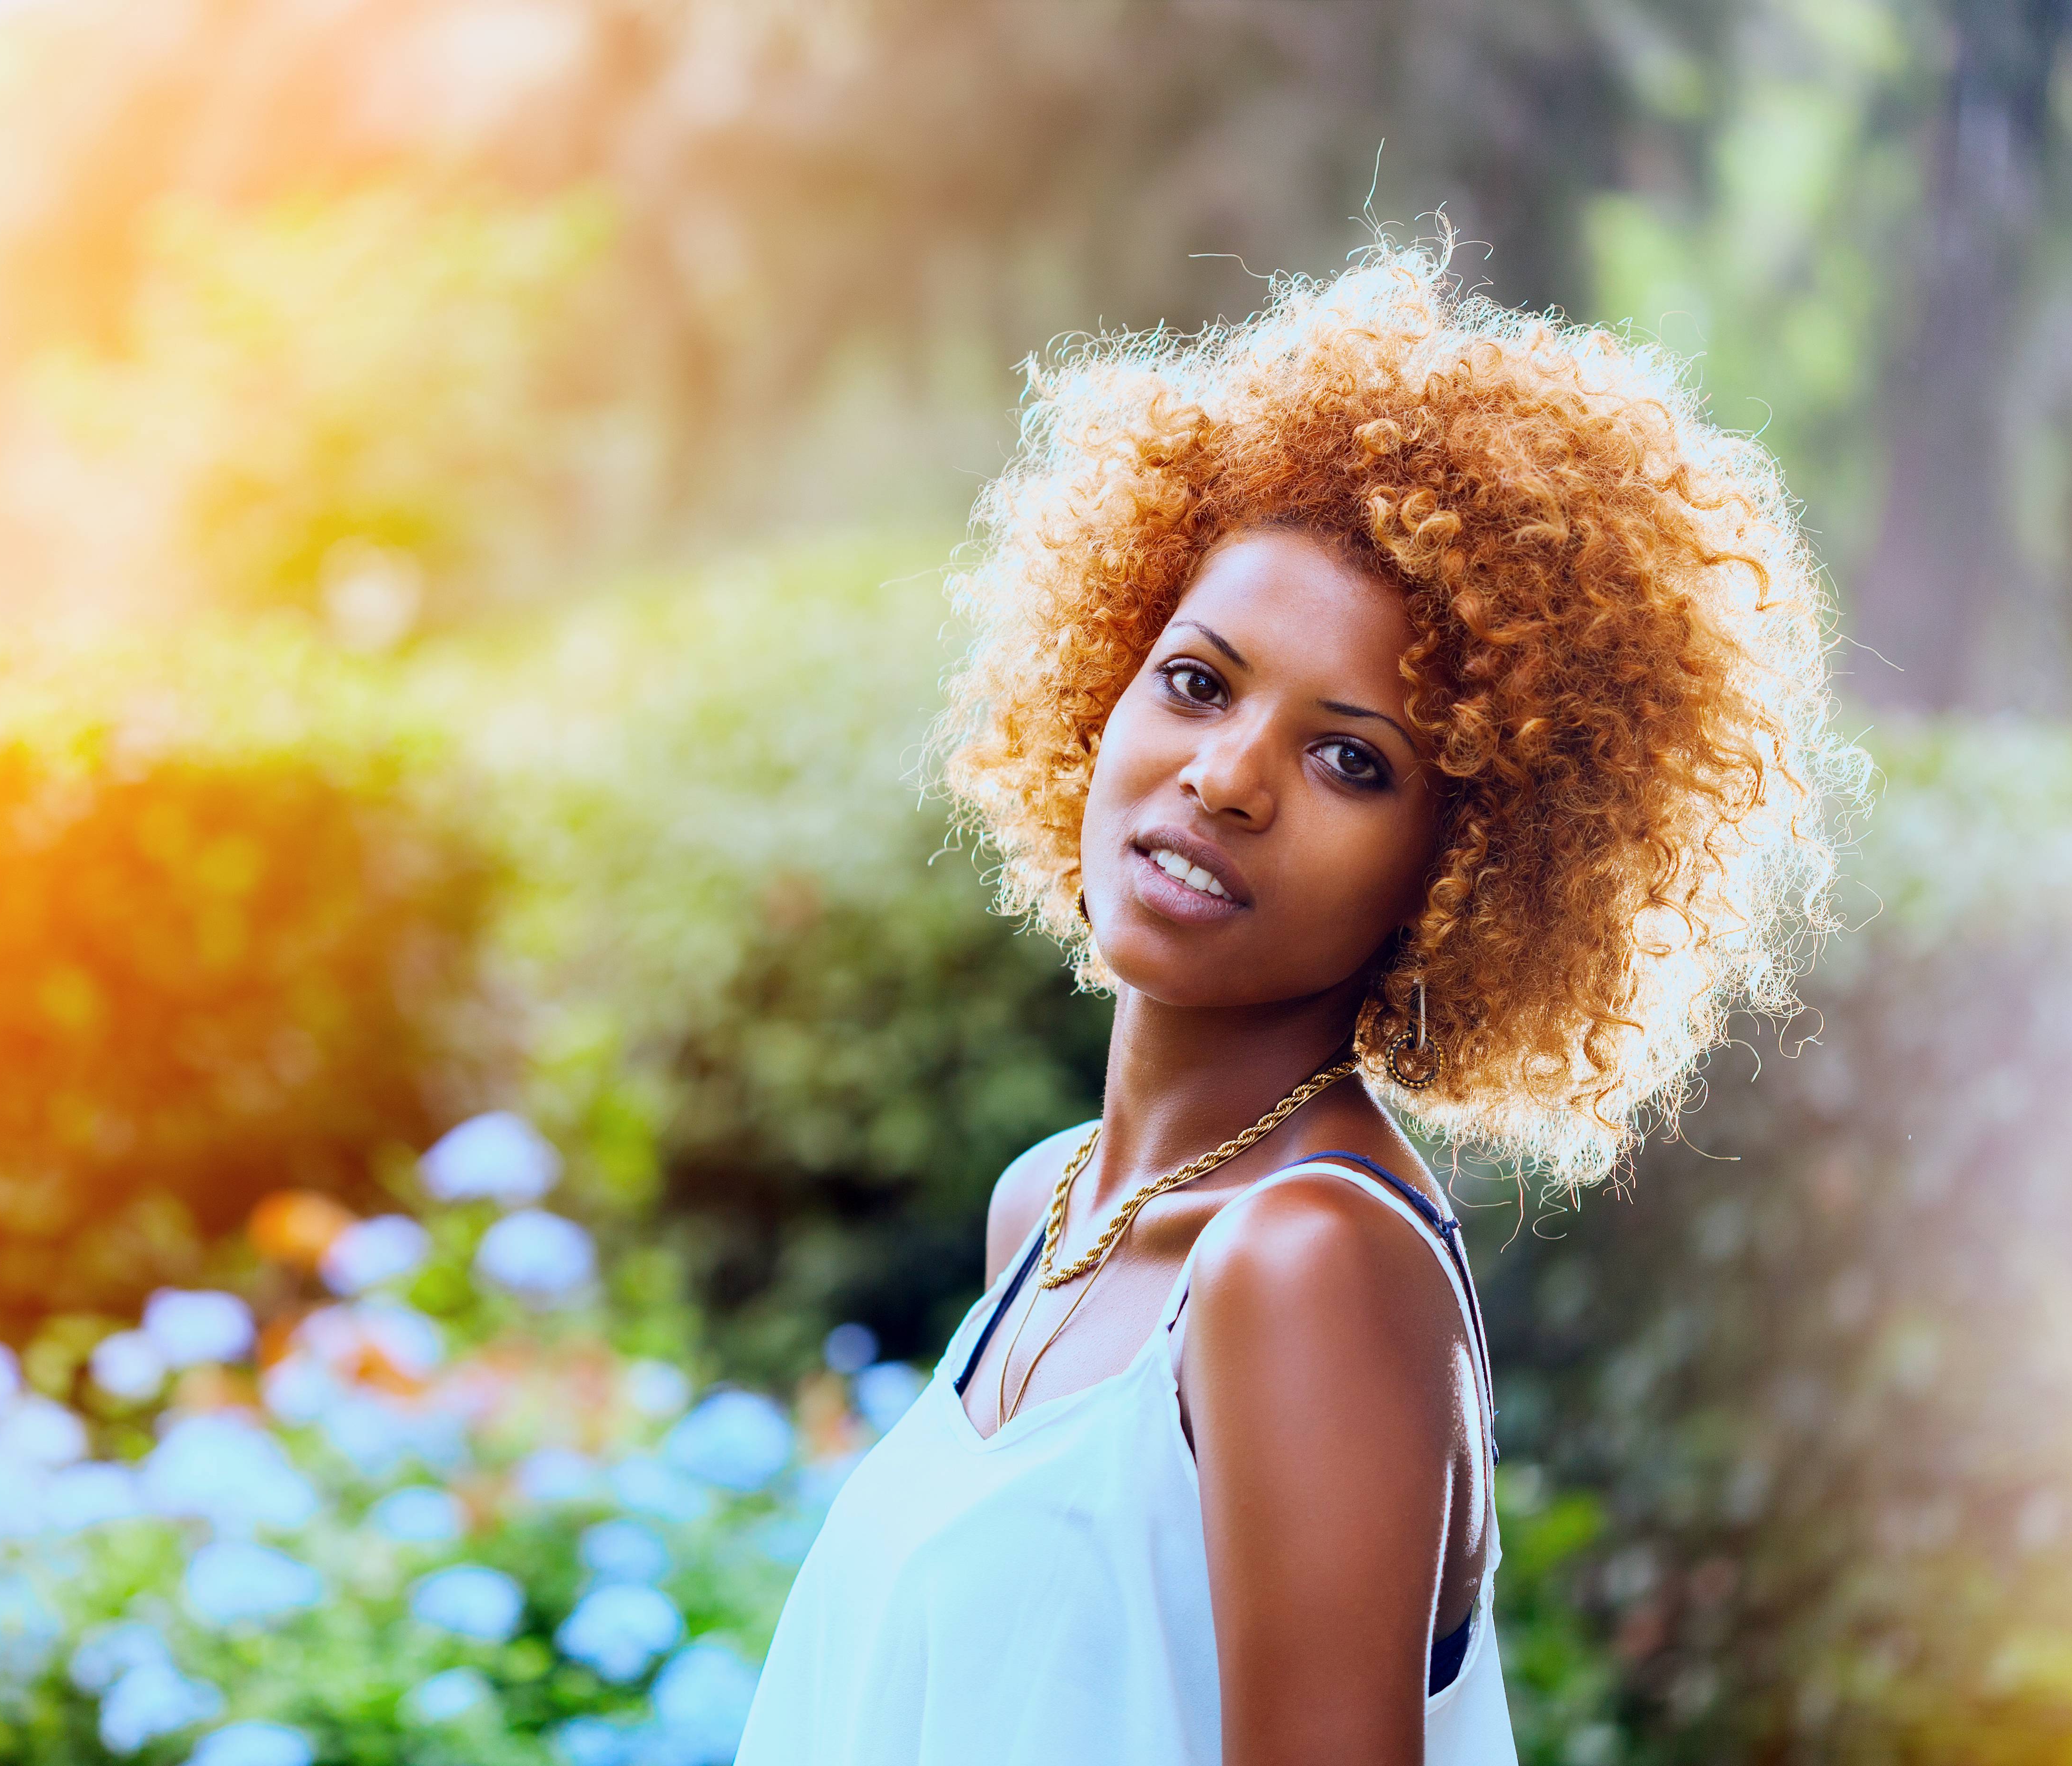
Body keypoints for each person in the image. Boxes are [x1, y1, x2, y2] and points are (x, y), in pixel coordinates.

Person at [734, 246, 1857, 1766]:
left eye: (1353, 760)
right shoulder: (1047, 1212)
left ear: (1467, 865)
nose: (1226, 778)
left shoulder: (1307, 1265)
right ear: (1104, 680)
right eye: (1198, 682)